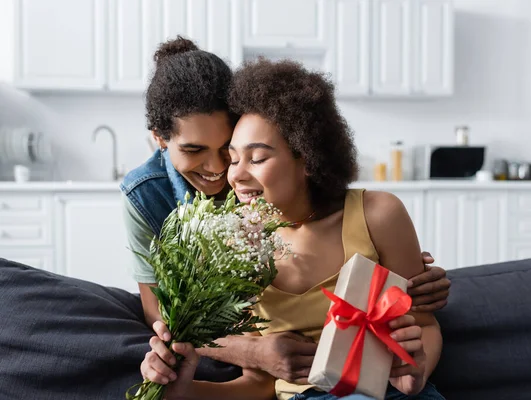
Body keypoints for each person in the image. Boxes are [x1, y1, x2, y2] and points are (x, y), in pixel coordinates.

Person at [122, 36, 450, 389]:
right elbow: (167, 320)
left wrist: (415, 290)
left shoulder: (373, 214)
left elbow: (420, 325)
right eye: (197, 150)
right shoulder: (162, 203)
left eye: (245, 155)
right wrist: (246, 355)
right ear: (159, 138)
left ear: (305, 155)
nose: (224, 171)